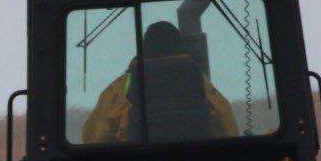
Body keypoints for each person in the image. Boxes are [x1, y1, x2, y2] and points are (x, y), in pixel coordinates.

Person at [79, 19, 242, 144]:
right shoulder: (199, 82)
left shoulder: (122, 86)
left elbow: (92, 138)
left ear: (144, 47)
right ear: (180, 46)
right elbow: (229, 128)